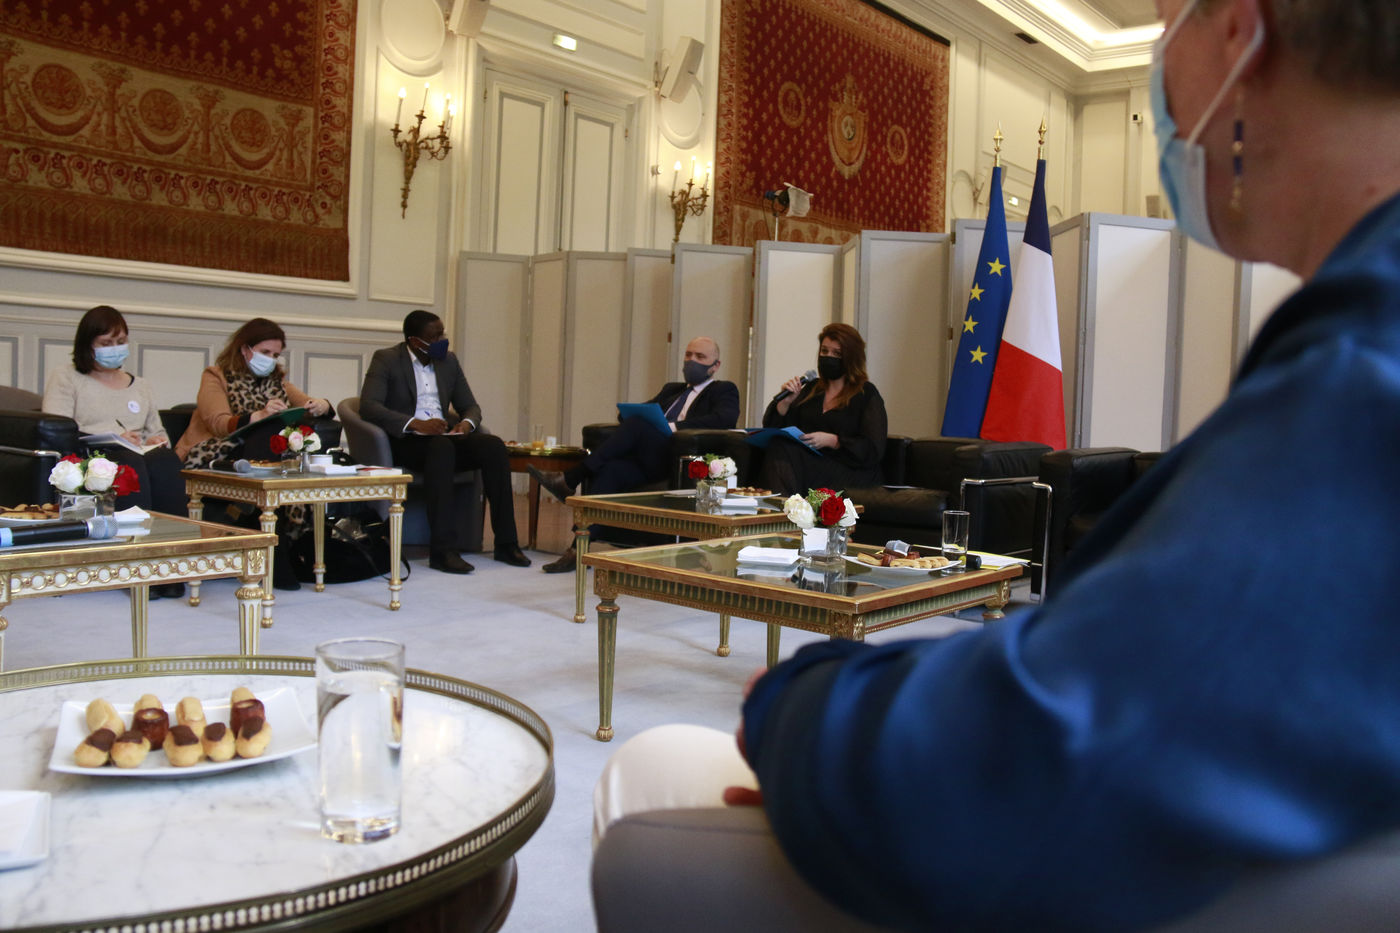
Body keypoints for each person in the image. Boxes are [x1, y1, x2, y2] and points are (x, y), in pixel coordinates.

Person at [591, 1, 1400, 931]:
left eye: (1164, 18)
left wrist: (795, 706)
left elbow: (1038, 759)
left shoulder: (1360, 381)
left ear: (1236, 33)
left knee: (649, 773)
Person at [528, 336, 740, 573]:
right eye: (688, 355)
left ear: (715, 366)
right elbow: (631, 415)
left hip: (676, 458)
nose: (692, 361)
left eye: (700, 357)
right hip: (646, 456)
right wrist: (635, 417)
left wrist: (672, 426)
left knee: (638, 425)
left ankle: (571, 478)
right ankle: (578, 547)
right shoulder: (672, 390)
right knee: (611, 470)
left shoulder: (723, 390)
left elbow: (724, 418)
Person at [359, 310, 531, 574]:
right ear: (414, 341)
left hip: (444, 438)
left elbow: (470, 405)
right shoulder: (387, 359)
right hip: (408, 441)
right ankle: (443, 551)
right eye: (435, 337)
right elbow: (369, 406)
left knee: (493, 446)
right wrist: (415, 423)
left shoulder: (448, 361)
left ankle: (506, 544)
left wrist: (467, 424)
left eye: (442, 334)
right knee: (441, 448)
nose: (442, 341)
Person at [176, 317, 333, 590]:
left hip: (258, 454)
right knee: (267, 431)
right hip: (215, 449)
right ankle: (277, 554)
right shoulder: (216, 376)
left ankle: (265, 527)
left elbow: (305, 403)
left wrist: (322, 405)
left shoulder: (277, 381)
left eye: (275, 355)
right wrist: (257, 415)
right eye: (264, 352)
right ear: (244, 349)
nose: (270, 359)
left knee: (281, 436)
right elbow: (218, 423)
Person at [44, 305, 187, 599]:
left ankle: (171, 564)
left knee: (166, 461)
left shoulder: (141, 385)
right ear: (88, 345)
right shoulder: (67, 377)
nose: (115, 348)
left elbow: (158, 431)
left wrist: (157, 439)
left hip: (139, 450)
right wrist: (115, 435)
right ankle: (134, 565)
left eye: (120, 341)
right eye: (106, 343)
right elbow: (57, 428)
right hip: (91, 452)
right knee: (129, 464)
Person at [758, 322, 886, 495]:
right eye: (824, 351)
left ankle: (784, 509)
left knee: (785, 455)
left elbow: (873, 449)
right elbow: (779, 430)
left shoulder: (866, 393)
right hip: (811, 463)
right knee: (779, 447)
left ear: (851, 357)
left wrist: (834, 441)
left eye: (836, 353)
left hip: (849, 469)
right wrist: (785, 403)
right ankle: (782, 508)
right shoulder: (811, 389)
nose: (828, 357)